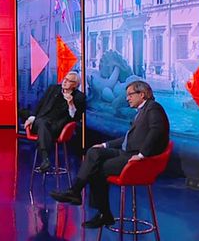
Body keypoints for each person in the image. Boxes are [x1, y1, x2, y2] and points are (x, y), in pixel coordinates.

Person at [50, 80, 170, 229]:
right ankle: (75, 192)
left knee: (97, 169)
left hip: (138, 158)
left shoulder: (153, 108)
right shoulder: (142, 111)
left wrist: (142, 155)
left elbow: (156, 131)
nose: (127, 98)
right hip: (127, 152)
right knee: (93, 152)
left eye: (130, 95)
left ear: (142, 94)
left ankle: (103, 213)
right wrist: (105, 145)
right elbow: (129, 138)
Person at [24, 71, 86, 172]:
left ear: (75, 85)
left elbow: (75, 118)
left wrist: (71, 104)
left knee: (44, 127)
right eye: (65, 79)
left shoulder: (79, 97)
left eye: (68, 81)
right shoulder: (53, 89)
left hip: (57, 127)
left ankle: (46, 160)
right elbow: (40, 104)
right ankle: (45, 159)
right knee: (42, 123)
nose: (64, 82)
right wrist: (32, 118)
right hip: (40, 122)